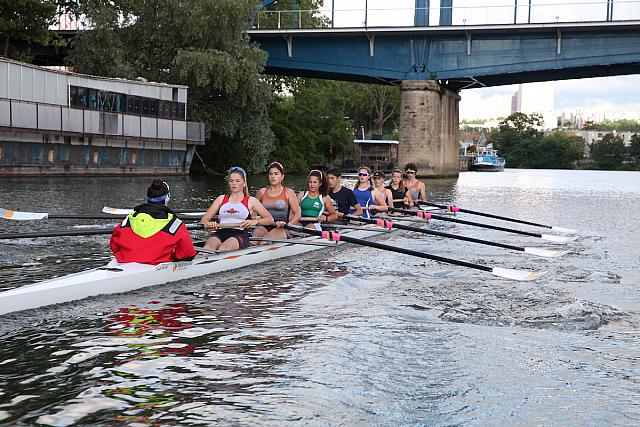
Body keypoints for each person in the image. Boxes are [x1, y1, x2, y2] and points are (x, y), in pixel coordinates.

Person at [110, 179, 196, 265]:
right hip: (156, 267)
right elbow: (187, 254)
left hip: (125, 262)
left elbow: (114, 245)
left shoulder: (130, 218)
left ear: (148, 198)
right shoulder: (175, 224)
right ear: (167, 199)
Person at [200, 166, 274, 251]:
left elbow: (270, 219)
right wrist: (208, 225)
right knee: (208, 247)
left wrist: (255, 221)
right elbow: (204, 220)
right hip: (220, 233)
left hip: (239, 235)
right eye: (231, 181)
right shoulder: (221, 199)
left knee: (224, 248)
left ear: (244, 183)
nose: (234, 183)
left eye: (238, 181)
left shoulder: (251, 201)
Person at [252, 161, 301, 243]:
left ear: (282, 176)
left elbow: (297, 214)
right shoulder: (262, 192)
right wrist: (255, 217)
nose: (273, 177)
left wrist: (288, 225)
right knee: (255, 238)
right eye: (270, 174)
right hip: (264, 225)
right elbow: (253, 211)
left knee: (265, 240)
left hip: (281, 227)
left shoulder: (288, 192)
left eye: (276, 174)